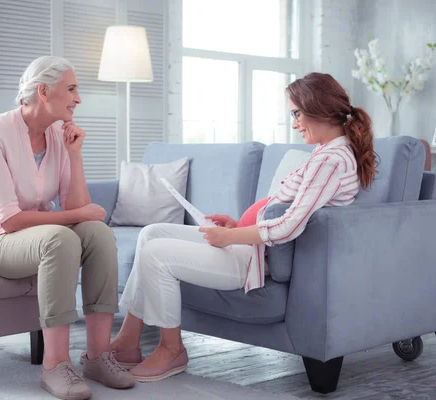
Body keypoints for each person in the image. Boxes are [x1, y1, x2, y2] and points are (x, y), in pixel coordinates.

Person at [110, 72, 378, 382]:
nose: (294, 123)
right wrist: (237, 224)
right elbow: (280, 210)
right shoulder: (324, 152)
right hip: (245, 244)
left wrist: (231, 235)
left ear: (317, 107)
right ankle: (128, 341)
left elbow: (289, 226)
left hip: (251, 258)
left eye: (296, 113)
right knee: (152, 232)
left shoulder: (330, 159)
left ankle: (172, 350)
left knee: (156, 253)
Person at [0, 56, 135, 400]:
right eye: (71, 89)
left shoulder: (57, 136)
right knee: (60, 238)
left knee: (98, 234)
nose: (78, 99)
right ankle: (55, 365)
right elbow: (9, 220)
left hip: (36, 236)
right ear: (43, 91)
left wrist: (75, 155)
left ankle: (98, 356)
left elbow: (75, 207)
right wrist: (73, 218)